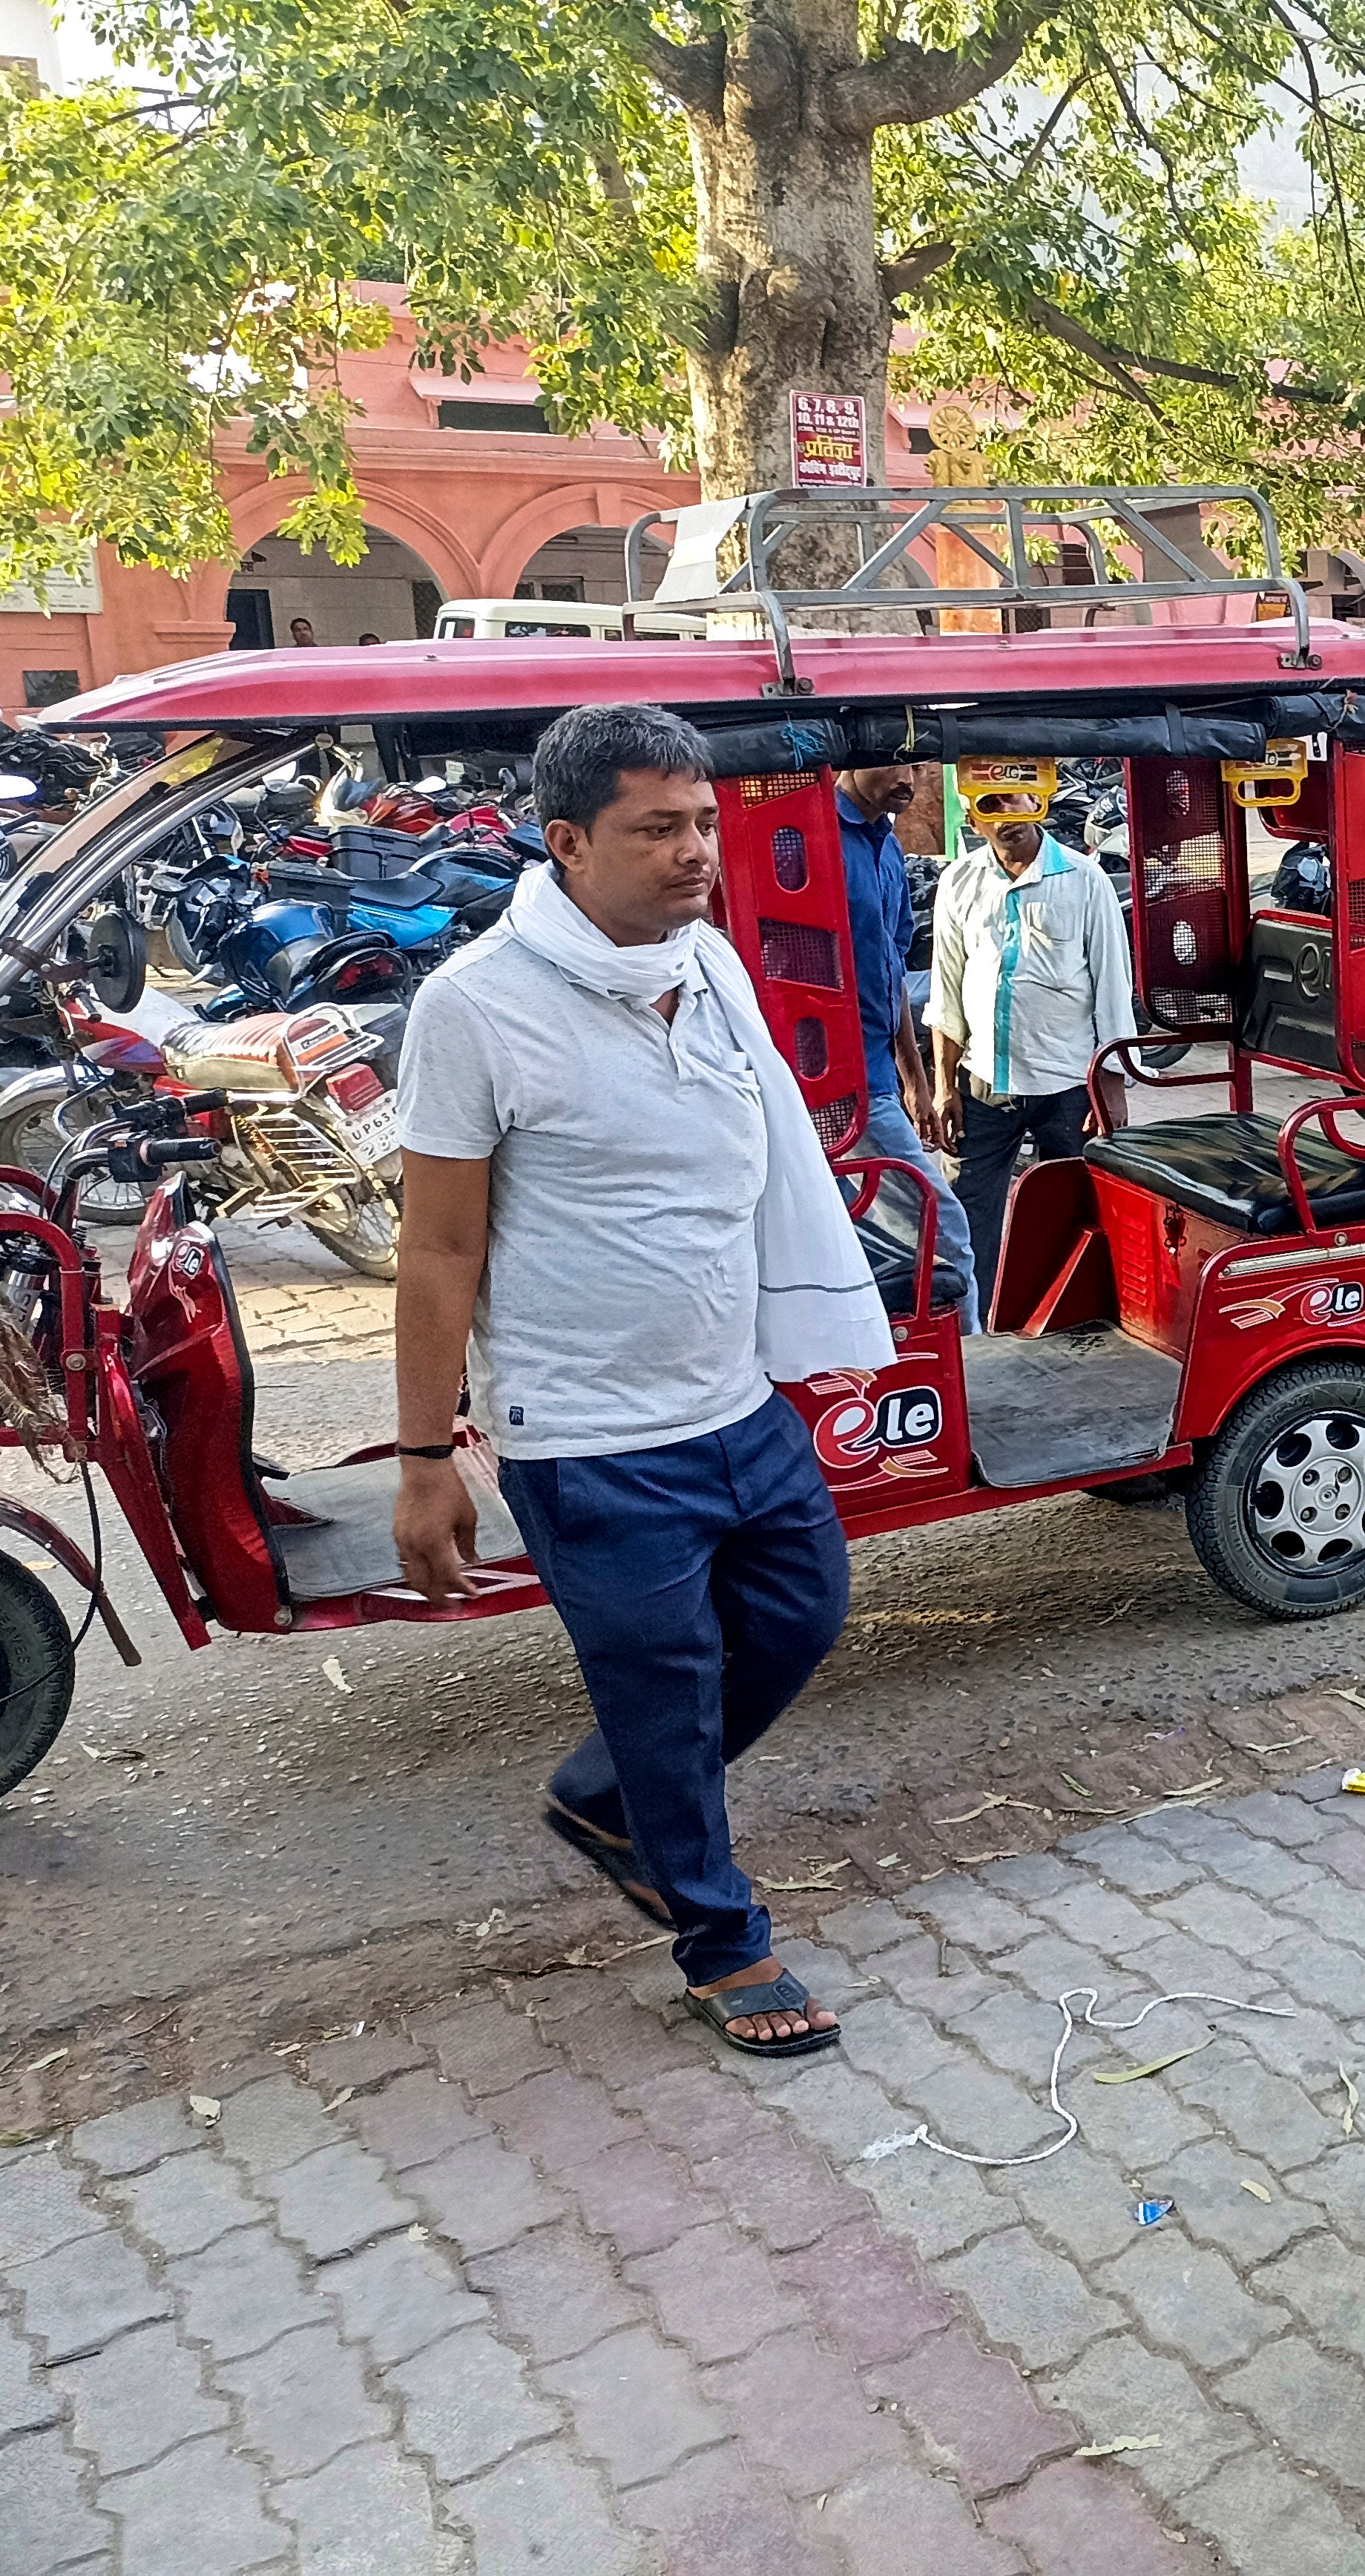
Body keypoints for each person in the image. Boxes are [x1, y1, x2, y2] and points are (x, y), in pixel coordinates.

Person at [391, 702, 897, 2058]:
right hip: (589, 1437)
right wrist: (423, 1456)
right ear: (566, 842)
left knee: (801, 1611)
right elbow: (437, 1248)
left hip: (736, 1398)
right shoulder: (473, 1009)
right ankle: (721, 1939)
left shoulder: (708, 962)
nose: (695, 854)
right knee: (664, 1685)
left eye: (702, 823)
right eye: (656, 828)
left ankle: (614, 1800)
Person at [925, 808, 1136, 1279]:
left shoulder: (1087, 880)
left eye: (1016, 799)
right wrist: (943, 1085)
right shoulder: (960, 880)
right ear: (971, 817)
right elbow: (947, 990)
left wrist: (1113, 1086)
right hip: (983, 1084)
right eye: (991, 807)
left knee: (1072, 1210)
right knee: (967, 1212)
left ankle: (1063, 1320)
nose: (1006, 817)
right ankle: (973, 1322)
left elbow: (1112, 988)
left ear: (1037, 800)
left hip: (1068, 1085)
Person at [835, 763, 978, 1328]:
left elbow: (891, 972)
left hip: (879, 1079)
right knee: (944, 1231)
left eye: (919, 765)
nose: (910, 778)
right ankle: (966, 1376)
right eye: (895, 761)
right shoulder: (813, 840)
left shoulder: (886, 846)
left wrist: (916, 1079)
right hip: (837, 1086)